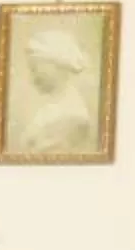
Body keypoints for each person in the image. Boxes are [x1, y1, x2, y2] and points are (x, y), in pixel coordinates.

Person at [8, 21, 101, 156]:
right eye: (31, 69)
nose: (33, 78)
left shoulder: (71, 116)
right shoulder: (51, 108)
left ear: (58, 66)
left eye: (36, 69)